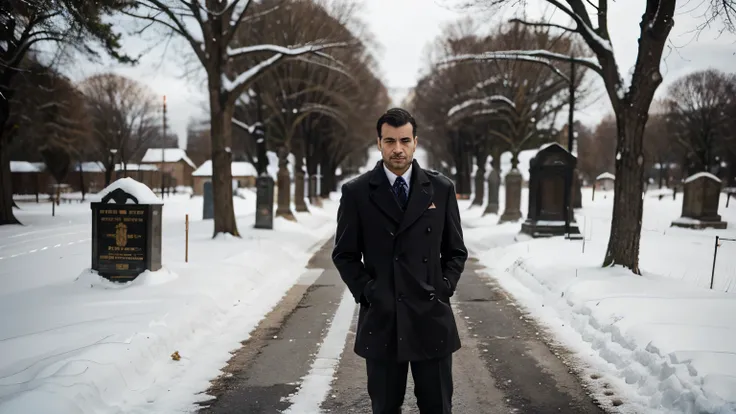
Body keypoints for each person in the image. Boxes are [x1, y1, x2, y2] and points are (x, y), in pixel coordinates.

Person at [331, 108, 468, 414]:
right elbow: (344, 254)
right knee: (384, 408)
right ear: (378, 143)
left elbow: (456, 251)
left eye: (404, 140)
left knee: (437, 407)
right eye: (390, 141)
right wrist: (369, 292)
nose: (398, 149)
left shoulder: (441, 188)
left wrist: (443, 286)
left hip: (431, 316)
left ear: (415, 142)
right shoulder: (357, 192)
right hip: (383, 318)